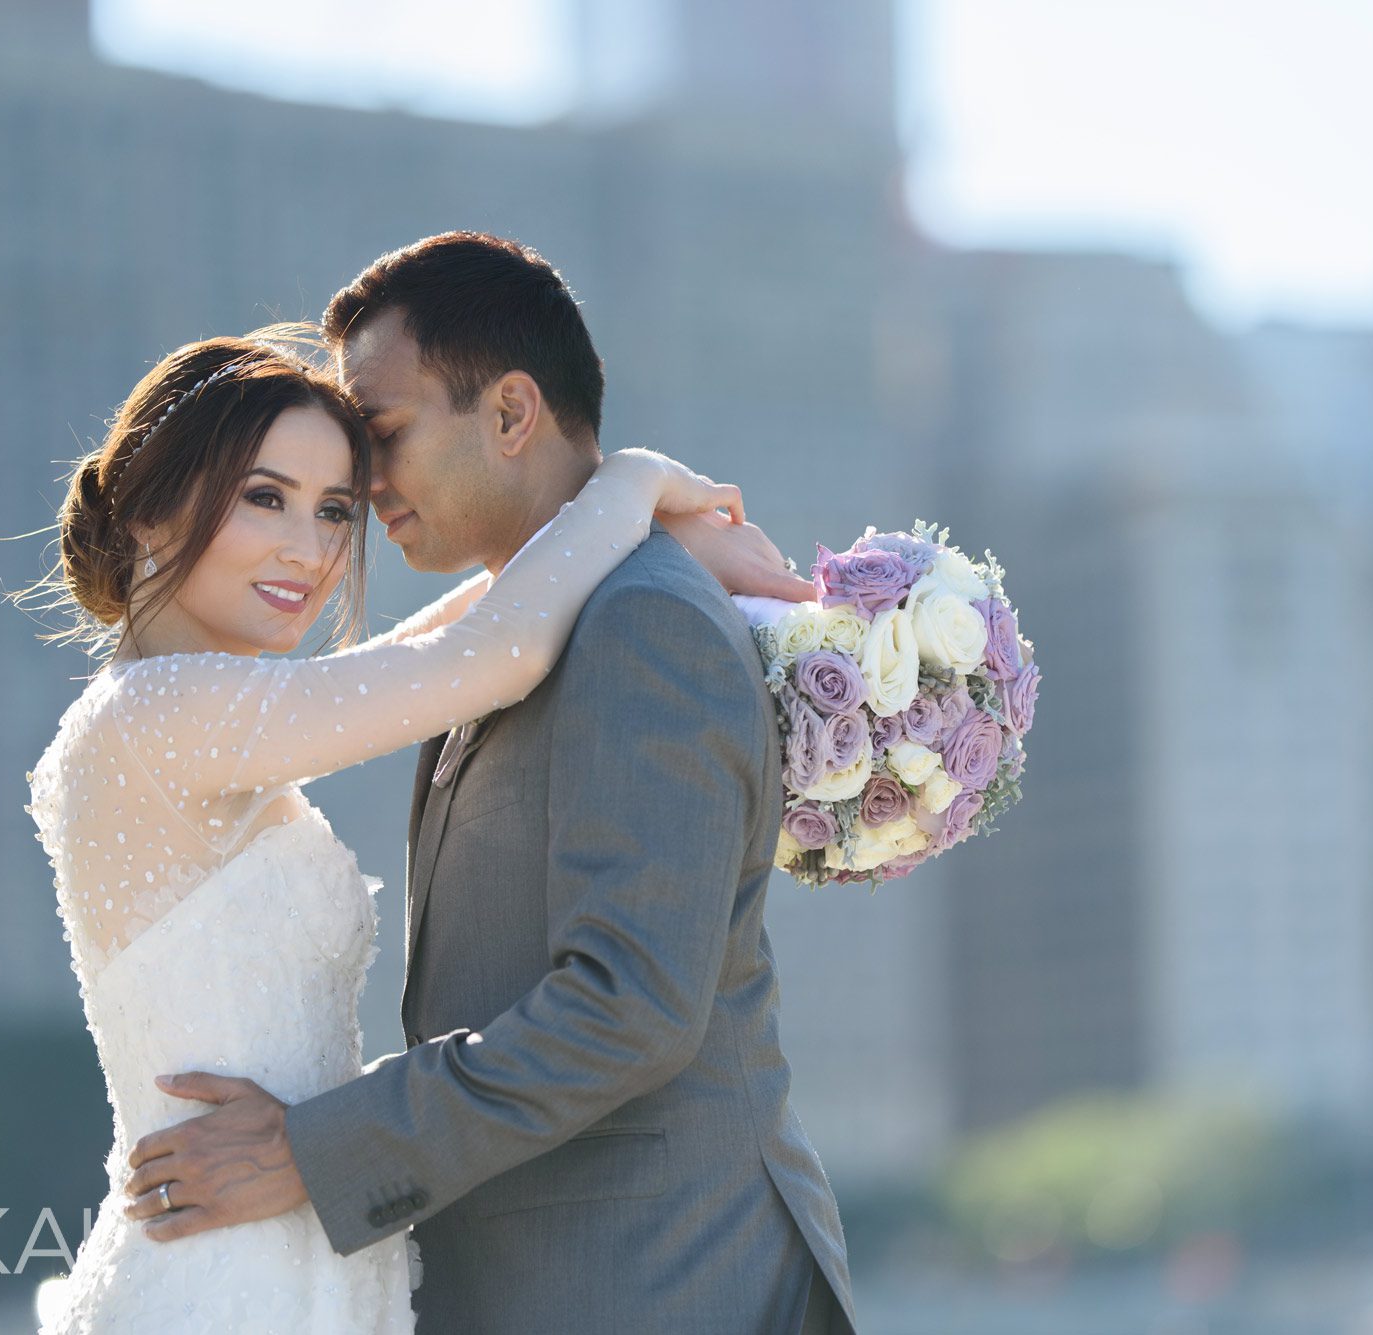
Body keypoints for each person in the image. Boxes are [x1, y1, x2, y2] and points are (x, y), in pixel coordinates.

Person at [117, 234, 858, 1332]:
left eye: (383, 435)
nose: (360, 490)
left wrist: (311, 1148)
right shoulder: (527, 629)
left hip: (657, 1284)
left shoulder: (639, 623)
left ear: (510, 415)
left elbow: (630, 1004)